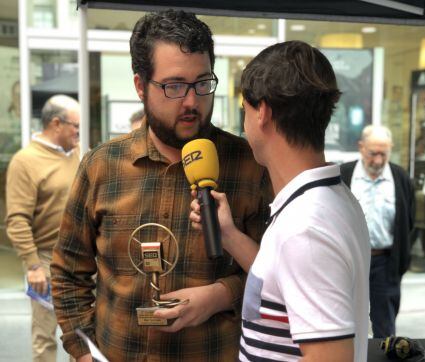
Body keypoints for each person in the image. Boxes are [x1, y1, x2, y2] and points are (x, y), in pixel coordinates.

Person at [50, 9, 271, 362]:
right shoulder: (101, 165)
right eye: (174, 86)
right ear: (140, 86)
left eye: (202, 83)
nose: (191, 102)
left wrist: (221, 294)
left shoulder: (250, 166)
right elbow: (67, 273)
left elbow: (280, 276)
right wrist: (84, 352)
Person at [190, 40, 371, 362]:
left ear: (263, 112)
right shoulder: (329, 200)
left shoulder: (305, 227)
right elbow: (283, 280)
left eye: (244, 110)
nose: (243, 125)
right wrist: (229, 235)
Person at [6, 94, 80, 362]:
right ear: (56, 123)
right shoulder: (25, 161)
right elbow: (16, 219)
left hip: (80, 257)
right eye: (75, 126)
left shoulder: (76, 154)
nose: (78, 133)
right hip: (47, 260)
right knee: (44, 336)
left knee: (81, 335)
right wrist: (33, 265)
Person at [340, 124, 415, 338]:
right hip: (349, 262)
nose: (379, 161)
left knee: (385, 329)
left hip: (384, 263)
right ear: (361, 147)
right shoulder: (343, 175)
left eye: (384, 154)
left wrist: (401, 262)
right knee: (346, 326)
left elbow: (407, 223)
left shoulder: (401, 179)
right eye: (373, 153)